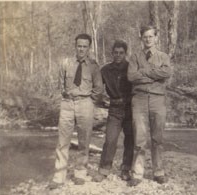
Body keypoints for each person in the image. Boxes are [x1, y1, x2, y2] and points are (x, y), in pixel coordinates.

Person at [48, 33, 103, 189]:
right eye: (79, 46)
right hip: (67, 104)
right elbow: (60, 82)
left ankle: (80, 172)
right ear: (75, 46)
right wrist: (66, 97)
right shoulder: (66, 63)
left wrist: (89, 102)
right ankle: (59, 176)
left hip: (85, 103)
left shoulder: (93, 66)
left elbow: (98, 88)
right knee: (62, 140)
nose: (81, 49)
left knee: (84, 141)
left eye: (85, 46)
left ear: (89, 48)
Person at [127, 25, 173, 186]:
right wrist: (154, 73)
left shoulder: (163, 56)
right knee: (139, 137)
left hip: (157, 99)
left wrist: (144, 72)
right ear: (141, 38)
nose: (148, 39)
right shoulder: (134, 57)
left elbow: (166, 73)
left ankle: (158, 171)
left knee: (157, 137)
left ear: (156, 38)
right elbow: (131, 77)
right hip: (139, 99)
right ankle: (137, 173)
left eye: (151, 36)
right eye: (145, 36)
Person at [91, 40, 134, 182]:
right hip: (114, 109)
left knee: (130, 139)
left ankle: (126, 169)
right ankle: (104, 170)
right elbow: (96, 87)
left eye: (121, 53)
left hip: (130, 108)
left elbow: (139, 86)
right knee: (110, 139)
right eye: (115, 52)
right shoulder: (105, 70)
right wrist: (101, 101)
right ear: (112, 53)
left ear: (125, 53)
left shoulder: (131, 68)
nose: (118, 55)